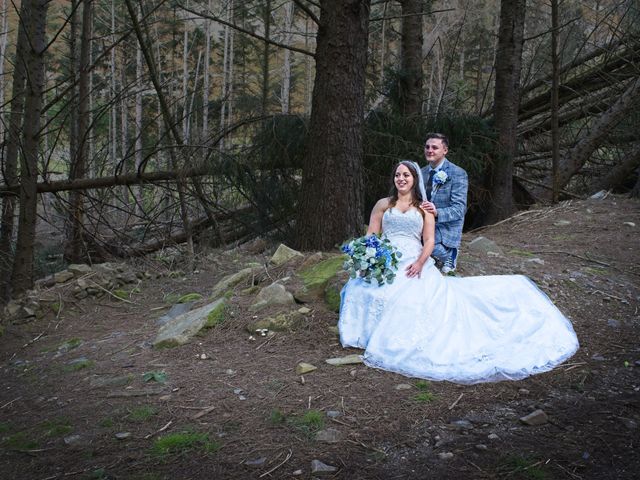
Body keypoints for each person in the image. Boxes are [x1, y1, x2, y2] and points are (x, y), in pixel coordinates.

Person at [339, 161, 579, 384]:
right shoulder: (383, 204)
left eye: (406, 175)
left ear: (415, 179)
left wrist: (420, 263)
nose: (401, 179)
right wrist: (367, 256)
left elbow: (430, 241)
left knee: (412, 299)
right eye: (397, 175)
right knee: (363, 288)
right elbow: (372, 234)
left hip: (414, 259)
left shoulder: (424, 208)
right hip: (385, 259)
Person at [420, 133, 468, 274]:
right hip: (422, 222)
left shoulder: (458, 173)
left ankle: (449, 254)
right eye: (427, 147)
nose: (430, 150)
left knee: (425, 242)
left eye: (435, 147)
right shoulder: (420, 173)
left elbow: (459, 209)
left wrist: (437, 213)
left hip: (444, 225)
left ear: (445, 150)